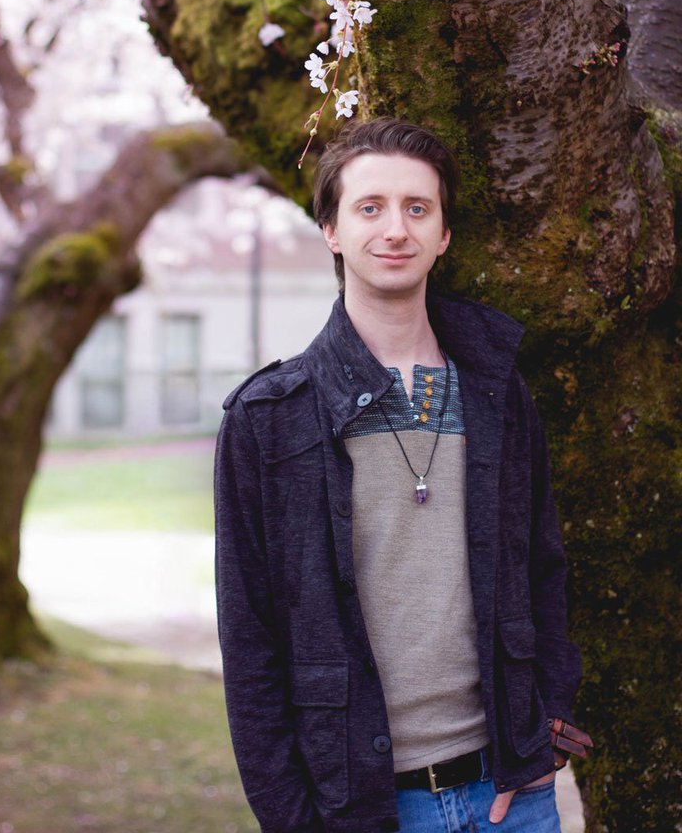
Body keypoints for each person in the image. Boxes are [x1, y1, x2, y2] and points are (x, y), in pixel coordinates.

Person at [215, 118, 591, 833]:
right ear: (331, 229)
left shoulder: (496, 391)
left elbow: (543, 568)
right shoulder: (269, 419)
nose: (396, 229)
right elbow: (250, 635)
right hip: (358, 806)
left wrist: (547, 729)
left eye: (417, 208)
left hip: (509, 796)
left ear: (444, 234)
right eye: (370, 207)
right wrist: (292, 818)